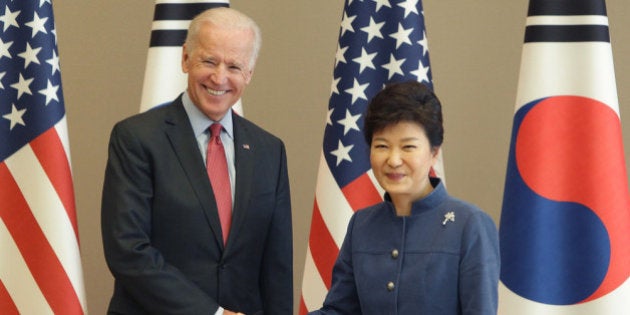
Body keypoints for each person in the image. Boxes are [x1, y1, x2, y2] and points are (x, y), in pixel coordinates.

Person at [101, 7, 293, 315]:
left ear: (249, 74)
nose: (219, 77)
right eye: (209, 60)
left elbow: (276, 267)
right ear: (185, 58)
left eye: (234, 66)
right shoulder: (136, 138)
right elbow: (128, 250)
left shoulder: (269, 151)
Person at [310, 81, 499, 314]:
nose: (394, 160)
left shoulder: (469, 225)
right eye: (382, 146)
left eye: (408, 147)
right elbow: (340, 311)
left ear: (434, 152)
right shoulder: (362, 224)